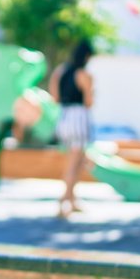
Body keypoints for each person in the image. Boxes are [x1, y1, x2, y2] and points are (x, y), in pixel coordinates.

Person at [48, 38, 95, 218]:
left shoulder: (61, 71)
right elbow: (89, 102)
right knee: (74, 164)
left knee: (75, 161)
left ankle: (72, 199)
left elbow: (55, 97)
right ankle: (64, 202)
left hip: (64, 116)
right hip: (79, 118)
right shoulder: (83, 74)